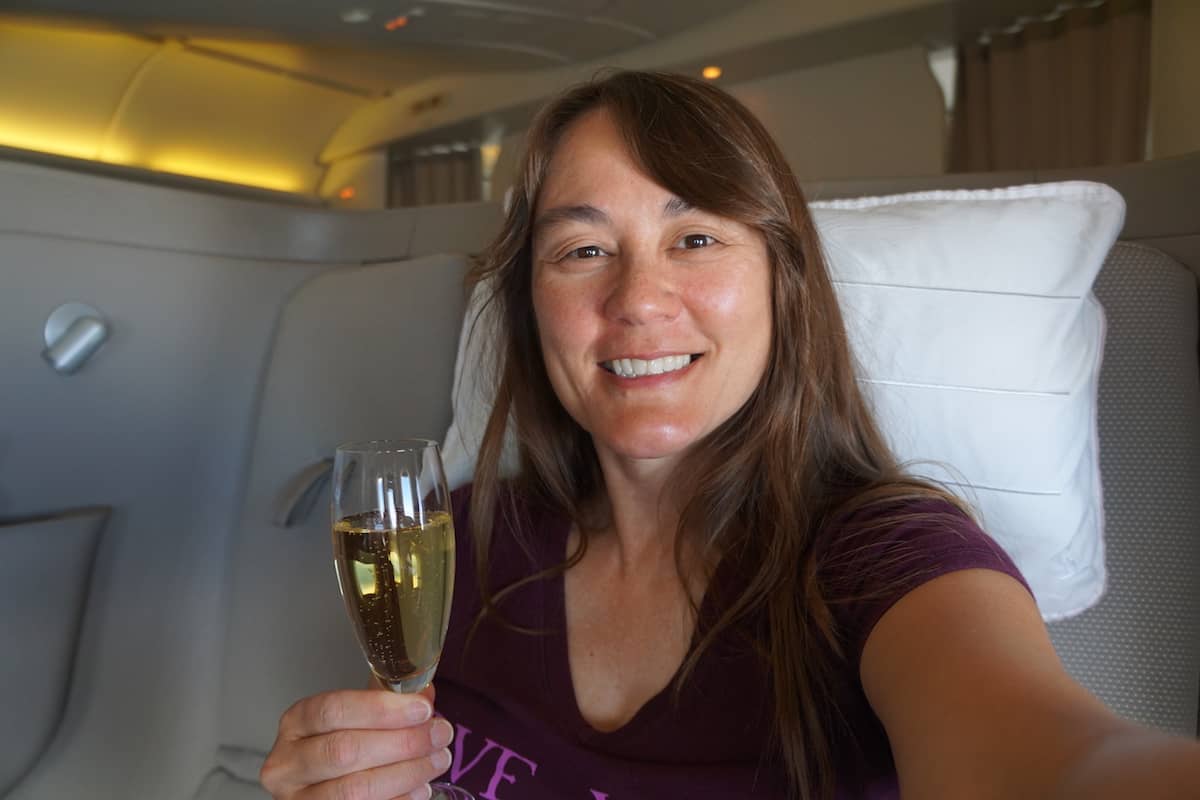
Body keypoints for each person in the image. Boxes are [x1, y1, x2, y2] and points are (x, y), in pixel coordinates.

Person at [261, 71, 1200, 800]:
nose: (636, 302)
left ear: (783, 285)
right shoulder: (466, 537)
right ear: (531, 308)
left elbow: (1057, 761)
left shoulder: (884, 558)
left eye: (697, 238)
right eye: (583, 251)